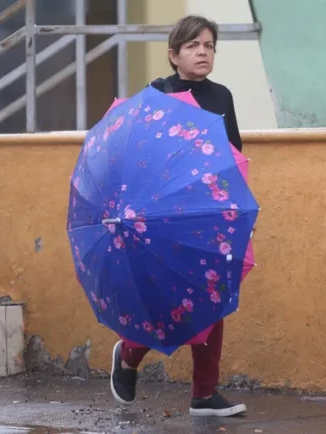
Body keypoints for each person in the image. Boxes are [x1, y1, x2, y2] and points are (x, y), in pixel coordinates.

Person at [109, 15, 247, 418]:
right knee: (166, 298)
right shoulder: (157, 95)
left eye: (209, 46)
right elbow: (136, 153)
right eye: (193, 46)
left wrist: (233, 206)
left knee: (213, 297)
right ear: (173, 55)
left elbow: (232, 156)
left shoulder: (222, 97)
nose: (203, 52)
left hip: (209, 213)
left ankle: (204, 394)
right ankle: (129, 355)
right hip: (162, 216)